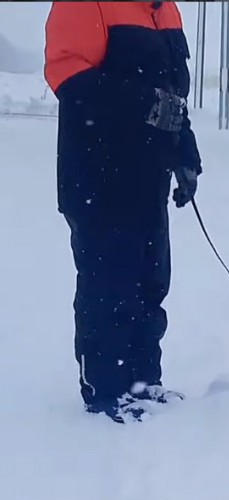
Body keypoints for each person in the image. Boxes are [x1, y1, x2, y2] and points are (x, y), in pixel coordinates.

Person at [44, 1, 203, 423]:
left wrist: (185, 154)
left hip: (148, 181)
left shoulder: (165, 10)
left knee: (150, 284)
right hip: (98, 179)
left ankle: (143, 382)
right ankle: (107, 391)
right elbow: (71, 78)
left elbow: (174, 96)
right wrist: (147, 104)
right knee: (109, 288)